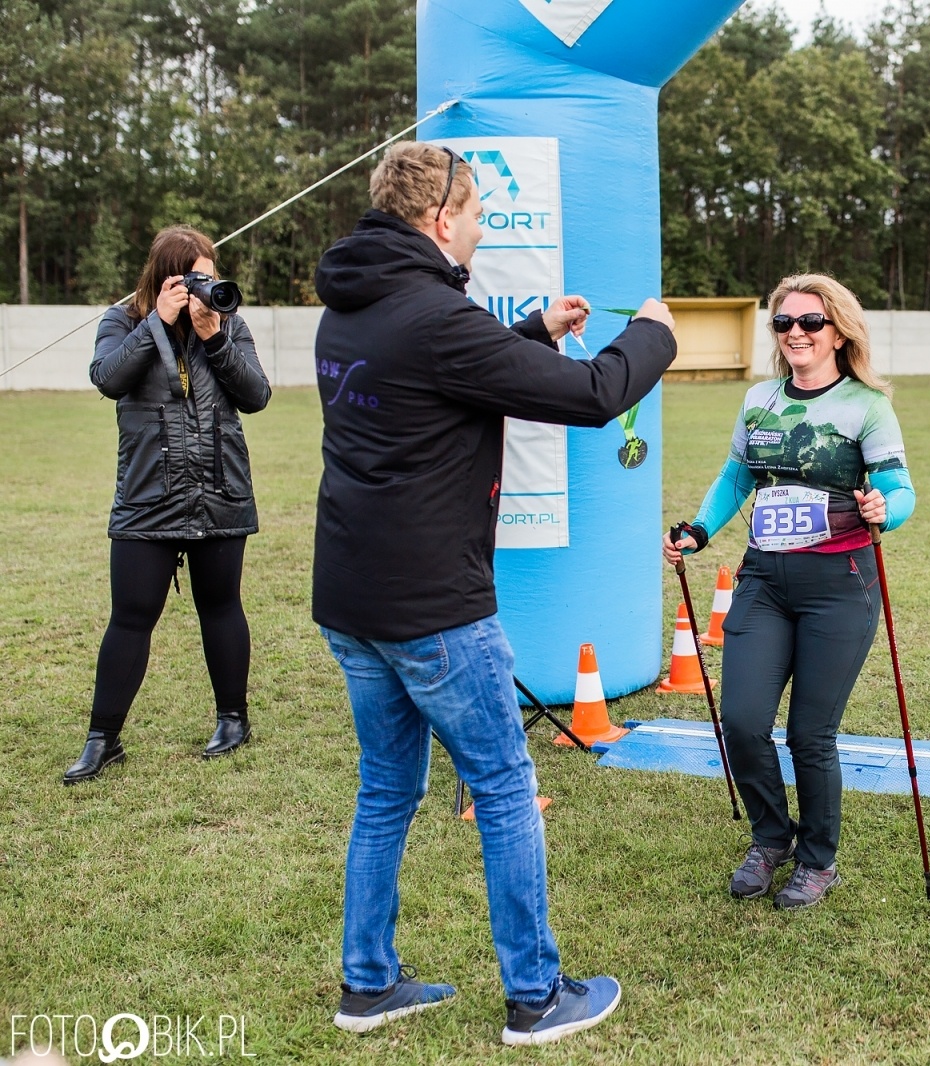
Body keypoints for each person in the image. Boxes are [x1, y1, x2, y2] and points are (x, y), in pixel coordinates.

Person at [312, 142, 677, 1045]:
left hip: (353, 602)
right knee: (507, 785)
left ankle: (368, 986)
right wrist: (655, 337)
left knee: (386, 792)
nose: (479, 230)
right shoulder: (435, 316)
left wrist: (533, 335)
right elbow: (596, 395)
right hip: (433, 609)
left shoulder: (354, 308)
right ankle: (535, 996)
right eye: (474, 216)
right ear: (441, 221)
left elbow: (440, 380)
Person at [663, 273, 915, 911]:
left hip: (840, 583)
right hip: (765, 581)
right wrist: (697, 529)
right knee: (744, 722)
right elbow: (736, 475)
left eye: (810, 322)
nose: (796, 332)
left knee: (810, 734)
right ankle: (770, 837)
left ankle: (816, 859)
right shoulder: (760, 401)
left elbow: (900, 489)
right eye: (784, 322)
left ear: (838, 332)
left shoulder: (867, 405)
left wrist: (885, 507)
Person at [70, 226, 272, 784]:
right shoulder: (123, 320)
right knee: (131, 618)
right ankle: (102, 739)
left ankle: (234, 719)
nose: (207, 286)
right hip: (147, 494)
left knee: (222, 606)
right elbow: (108, 380)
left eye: (212, 274)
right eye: (196, 276)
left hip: (218, 487)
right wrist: (157, 322)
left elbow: (256, 395)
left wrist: (215, 339)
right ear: (166, 277)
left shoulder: (227, 322)